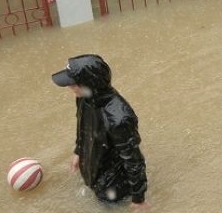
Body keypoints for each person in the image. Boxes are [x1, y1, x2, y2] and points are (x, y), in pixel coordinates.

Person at [52, 54, 149, 209]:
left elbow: (134, 161)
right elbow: (82, 125)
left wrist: (139, 199)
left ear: (88, 84)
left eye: (72, 83)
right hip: (93, 166)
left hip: (114, 186)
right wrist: (78, 151)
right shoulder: (84, 97)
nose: (69, 87)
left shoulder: (119, 118)